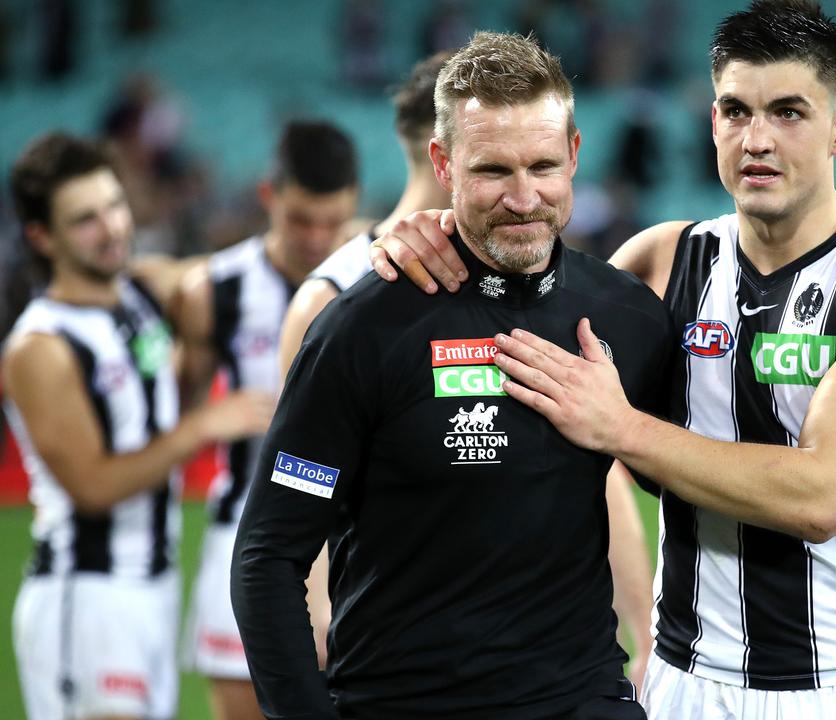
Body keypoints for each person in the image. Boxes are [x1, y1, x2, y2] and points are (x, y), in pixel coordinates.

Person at [373, 2, 836, 717]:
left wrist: (623, 429)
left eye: (789, 113)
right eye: (736, 111)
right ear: (712, 122)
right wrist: (434, 238)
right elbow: (520, 349)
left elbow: (821, 498)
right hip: (686, 683)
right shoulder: (662, 261)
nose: (757, 140)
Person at [231, 32, 667, 719]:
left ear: (576, 155)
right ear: (444, 163)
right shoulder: (364, 328)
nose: (524, 198)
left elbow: (710, 476)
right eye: (494, 170)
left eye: (544, 166)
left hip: (581, 700)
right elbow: (267, 558)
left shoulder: (625, 316)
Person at [3, 132, 272, 720]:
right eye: (85, 221)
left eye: (114, 206)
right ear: (41, 237)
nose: (112, 228)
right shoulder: (40, 346)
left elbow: (243, 270)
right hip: (88, 594)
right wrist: (200, 426)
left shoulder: (140, 291)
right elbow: (93, 485)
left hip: (152, 588)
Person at [175, 119, 359, 720]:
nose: (316, 238)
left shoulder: (375, 275)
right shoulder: (215, 290)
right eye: (300, 219)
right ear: (267, 197)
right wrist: (207, 420)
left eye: (332, 222)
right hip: (245, 533)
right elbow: (175, 413)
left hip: (352, 538)